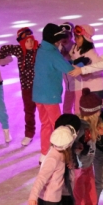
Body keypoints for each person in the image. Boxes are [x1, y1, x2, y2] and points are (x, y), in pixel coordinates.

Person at [33, 23, 78, 160]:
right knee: (58, 126)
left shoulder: (41, 49)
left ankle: (44, 154)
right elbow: (69, 70)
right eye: (58, 38)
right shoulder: (53, 53)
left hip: (38, 95)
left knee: (45, 124)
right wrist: (81, 63)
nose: (60, 41)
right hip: (50, 96)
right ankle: (62, 154)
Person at [0, 27, 39, 147]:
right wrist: (2, 61)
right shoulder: (19, 50)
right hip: (26, 88)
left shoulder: (38, 49)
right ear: (22, 42)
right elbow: (4, 48)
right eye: (27, 41)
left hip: (39, 86)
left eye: (31, 40)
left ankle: (50, 131)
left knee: (44, 111)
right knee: (29, 111)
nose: (30, 43)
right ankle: (29, 133)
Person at [74, 89, 103, 205]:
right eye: (99, 110)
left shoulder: (94, 125)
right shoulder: (80, 128)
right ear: (93, 112)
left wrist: (102, 135)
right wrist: (79, 148)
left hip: (88, 168)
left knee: (91, 198)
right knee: (79, 201)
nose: (100, 113)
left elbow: (100, 142)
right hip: (78, 170)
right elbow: (71, 148)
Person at [64, 25, 103, 114]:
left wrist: (88, 73)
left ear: (86, 38)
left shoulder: (90, 52)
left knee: (96, 114)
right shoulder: (75, 48)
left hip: (96, 88)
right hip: (86, 86)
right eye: (75, 37)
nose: (76, 40)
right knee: (87, 113)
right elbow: (73, 59)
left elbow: (101, 68)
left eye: (78, 38)